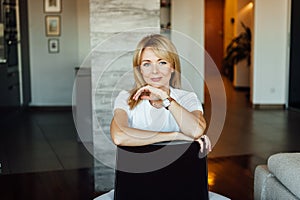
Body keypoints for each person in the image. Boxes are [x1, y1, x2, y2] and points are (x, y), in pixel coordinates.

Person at [95, 34, 212, 200]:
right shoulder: (127, 98)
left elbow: (196, 130)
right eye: (147, 64)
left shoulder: (187, 98)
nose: (155, 71)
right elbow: (119, 136)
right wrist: (176, 135)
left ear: (173, 67)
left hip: (181, 186)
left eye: (162, 62)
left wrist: (166, 99)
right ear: (140, 69)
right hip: (137, 187)